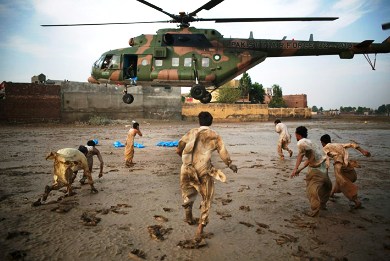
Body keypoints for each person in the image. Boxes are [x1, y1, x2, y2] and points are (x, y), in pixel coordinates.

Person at [176, 111, 238, 239]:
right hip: (203, 169)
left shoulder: (191, 132)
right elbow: (223, 152)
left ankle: (188, 217)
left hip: (186, 168)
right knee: (206, 198)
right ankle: (200, 229)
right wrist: (230, 165)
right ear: (211, 121)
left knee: (188, 194)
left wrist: (185, 160)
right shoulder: (214, 135)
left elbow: (178, 149)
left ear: (199, 121)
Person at [320, 134, 371, 209]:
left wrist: (326, 173)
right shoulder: (338, 144)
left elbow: (326, 161)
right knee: (340, 181)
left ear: (322, 142)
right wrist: (363, 151)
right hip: (346, 164)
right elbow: (352, 144)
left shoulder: (325, 148)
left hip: (338, 166)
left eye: (321, 143)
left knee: (343, 183)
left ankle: (356, 202)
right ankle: (331, 194)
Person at [291, 126, 332, 217]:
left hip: (315, 170)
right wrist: (297, 169)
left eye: (295, 134)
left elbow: (308, 157)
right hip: (324, 167)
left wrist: (297, 169)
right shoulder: (311, 141)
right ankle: (323, 205)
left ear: (297, 135)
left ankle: (315, 210)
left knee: (312, 190)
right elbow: (305, 157)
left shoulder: (301, 143)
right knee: (327, 187)